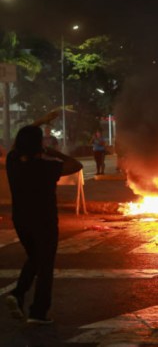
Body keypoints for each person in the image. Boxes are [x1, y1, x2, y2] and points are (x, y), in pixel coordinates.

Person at [5, 111, 83, 324]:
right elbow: (76, 165)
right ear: (40, 146)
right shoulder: (46, 167)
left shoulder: (13, 163)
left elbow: (16, 144)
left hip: (21, 221)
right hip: (44, 223)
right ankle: (38, 312)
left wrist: (38, 122)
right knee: (45, 266)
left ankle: (18, 294)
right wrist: (52, 152)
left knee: (35, 258)